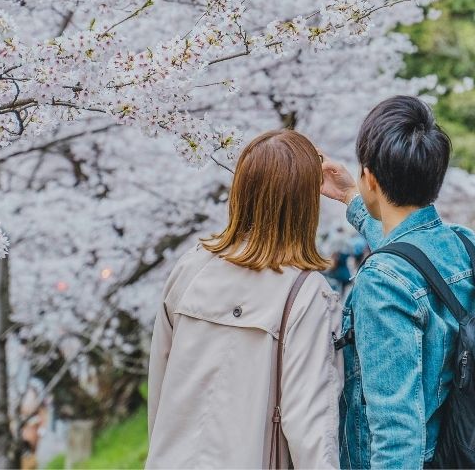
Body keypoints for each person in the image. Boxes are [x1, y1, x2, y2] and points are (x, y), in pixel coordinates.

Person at [146, 130, 343, 469]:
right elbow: (310, 428)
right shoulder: (306, 293)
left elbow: (160, 390)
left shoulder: (191, 266)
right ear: (306, 204)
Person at [320, 95, 475, 469]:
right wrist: (348, 195)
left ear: (370, 178)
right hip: (456, 450)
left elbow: (397, 433)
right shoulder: (463, 243)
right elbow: (409, 251)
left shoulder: (381, 281)